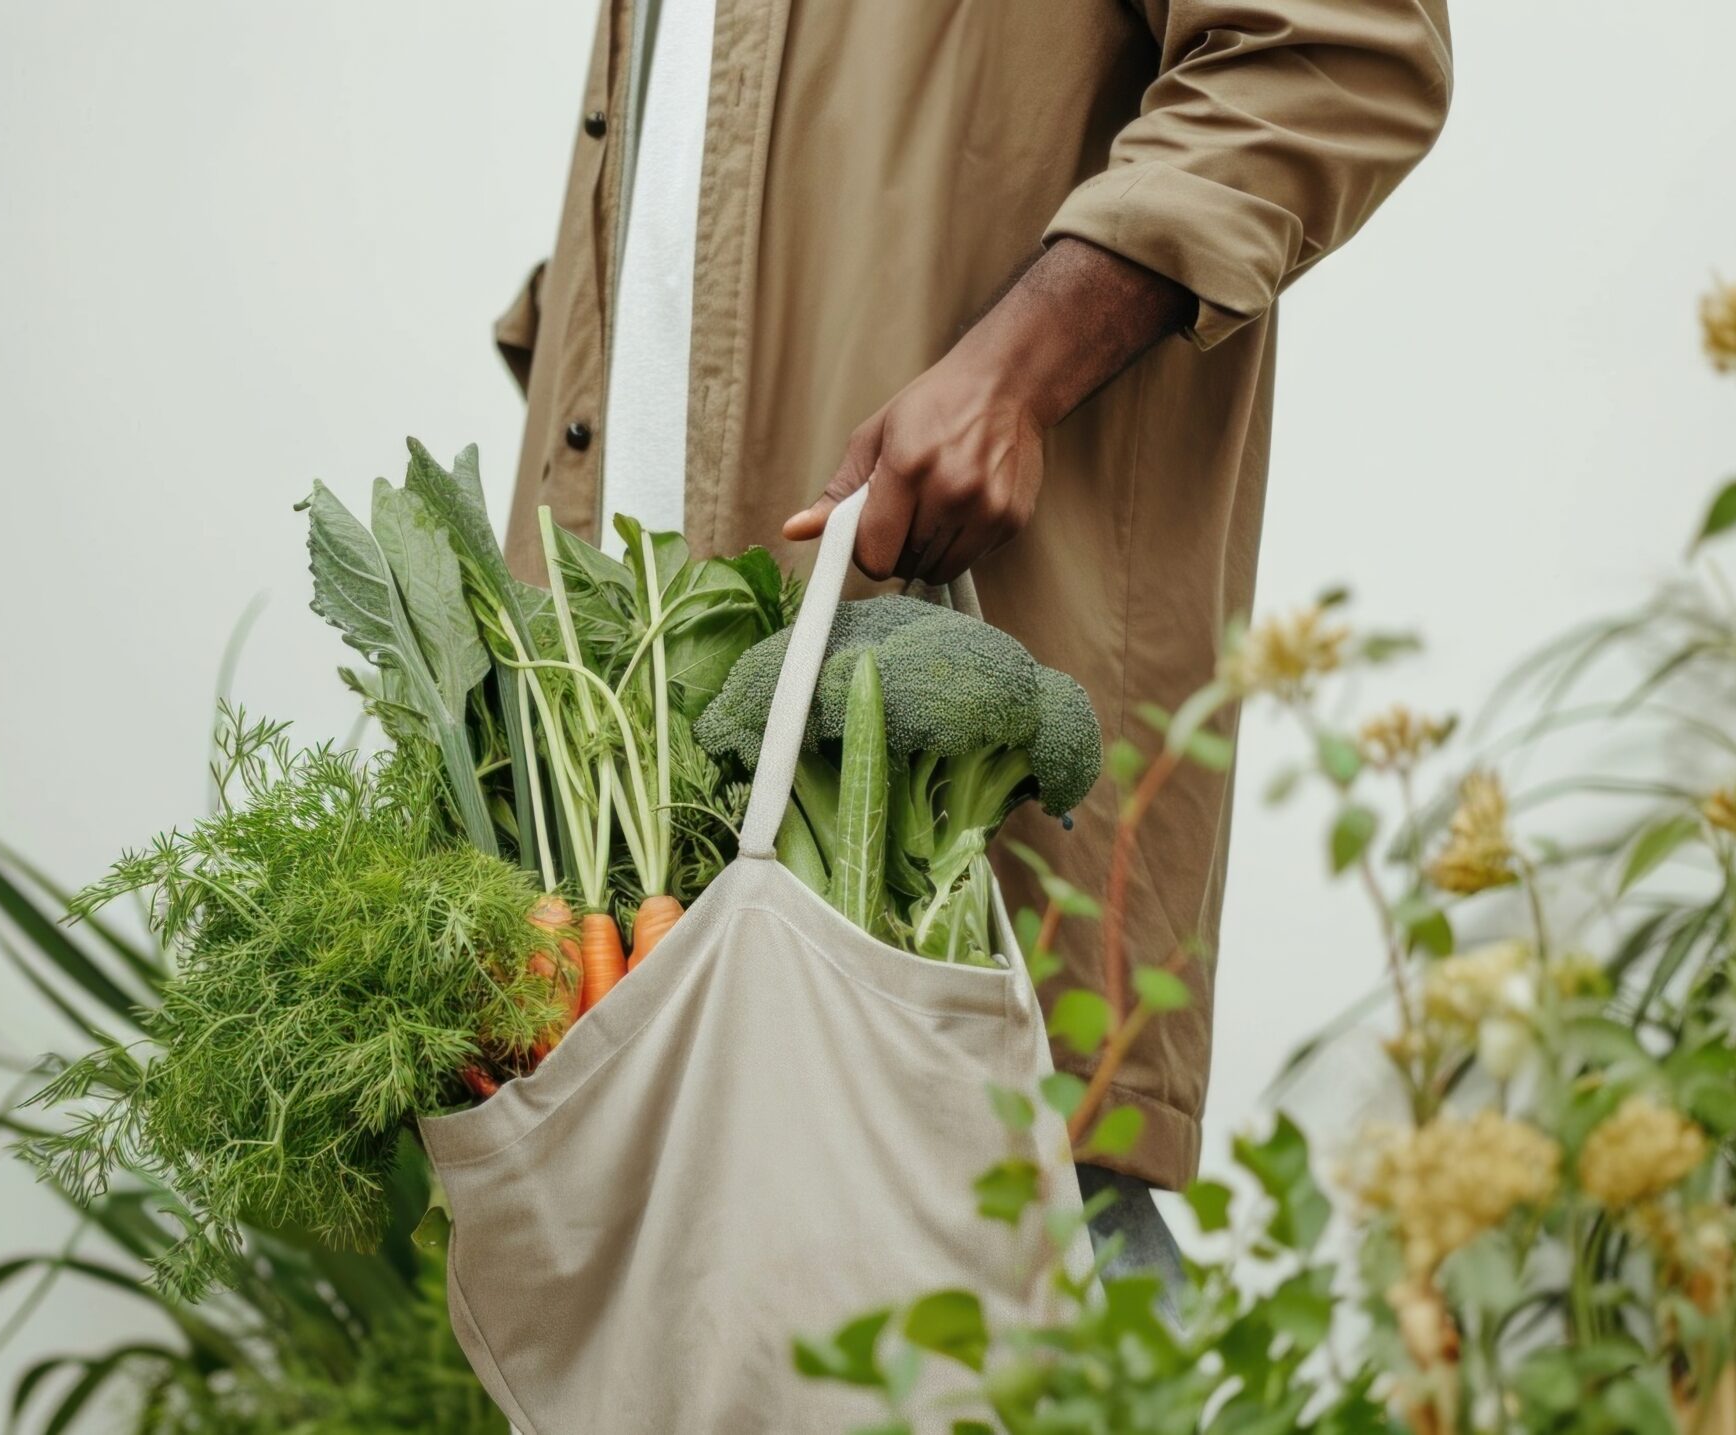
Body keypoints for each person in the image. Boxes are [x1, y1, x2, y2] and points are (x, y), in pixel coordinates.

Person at [492, 0, 1454, 1262]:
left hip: (946, 805)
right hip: (627, 858)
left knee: (1025, 1283)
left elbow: (1339, 47)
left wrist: (1016, 366)